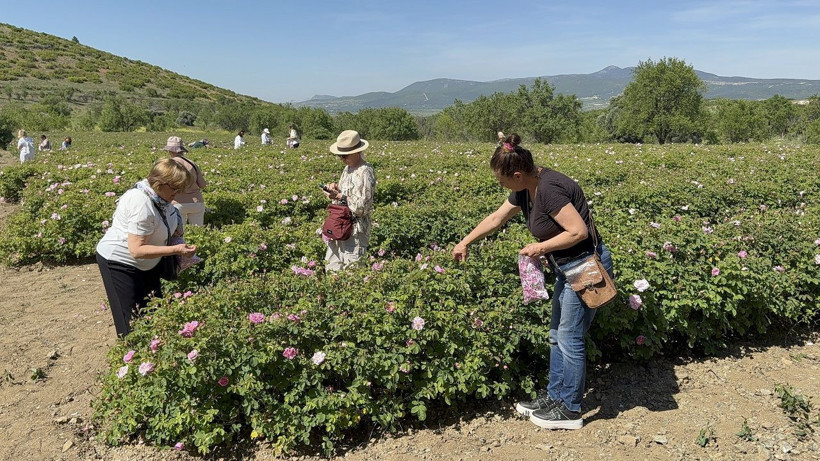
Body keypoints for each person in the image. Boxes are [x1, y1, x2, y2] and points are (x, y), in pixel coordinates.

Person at [452, 133, 614, 431]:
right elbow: (496, 218)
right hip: (566, 266)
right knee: (556, 335)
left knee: (570, 337)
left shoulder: (550, 189)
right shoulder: (526, 187)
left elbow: (578, 232)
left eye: (502, 179)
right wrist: (465, 242)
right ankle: (555, 397)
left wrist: (540, 247)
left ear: (517, 173)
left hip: (585, 267)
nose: (499, 184)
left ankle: (571, 410)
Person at [96, 158, 196, 337]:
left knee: (154, 312)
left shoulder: (160, 198)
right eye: (175, 188)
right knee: (131, 321)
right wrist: (176, 250)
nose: (178, 193)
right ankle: (131, 355)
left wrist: (176, 232)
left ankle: (152, 354)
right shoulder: (141, 203)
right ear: (159, 183)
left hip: (148, 263)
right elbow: (136, 250)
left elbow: (164, 222)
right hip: (120, 262)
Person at [322, 130, 376, 271]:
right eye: (340, 155)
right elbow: (344, 197)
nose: (342, 158)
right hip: (339, 227)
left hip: (355, 230)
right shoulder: (347, 169)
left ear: (357, 152)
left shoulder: (366, 171)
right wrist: (334, 191)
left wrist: (341, 197)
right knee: (332, 268)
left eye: (345, 155)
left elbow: (363, 207)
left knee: (352, 272)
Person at [163, 136, 207, 226]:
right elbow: (202, 185)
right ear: (182, 150)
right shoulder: (192, 163)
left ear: (170, 150)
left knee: (179, 236)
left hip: (178, 204)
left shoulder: (168, 164)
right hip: (196, 203)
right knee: (198, 232)